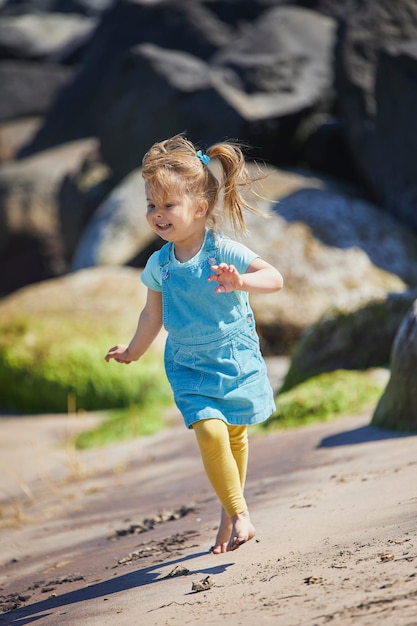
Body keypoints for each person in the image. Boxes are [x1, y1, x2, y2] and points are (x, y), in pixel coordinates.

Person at [105, 135, 283, 553]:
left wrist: (241, 281)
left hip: (233, 355)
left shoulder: (224, 250)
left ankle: (227, 518)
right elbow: (152, 315)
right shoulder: (159, 265)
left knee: (234, 437)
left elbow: (274, 279)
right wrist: (134, 349)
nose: (157, 214)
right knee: (208, 429)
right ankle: (240, 514)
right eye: (152, 205)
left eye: (168, 205)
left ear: (200, 209)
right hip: (188, 364)